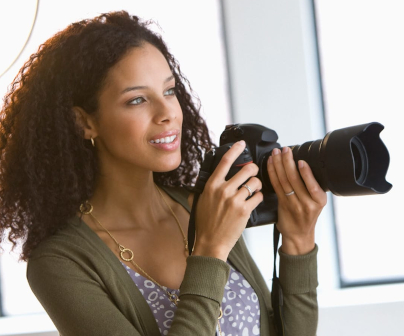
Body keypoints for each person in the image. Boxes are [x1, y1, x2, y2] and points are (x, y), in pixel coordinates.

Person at [0, 11, 327, 336]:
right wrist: (210, 249)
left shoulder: (202, 207)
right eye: (137, 99)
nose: (167, 112)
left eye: (169, 91)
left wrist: (298, 241)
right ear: (84, 122)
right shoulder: (60, 263)